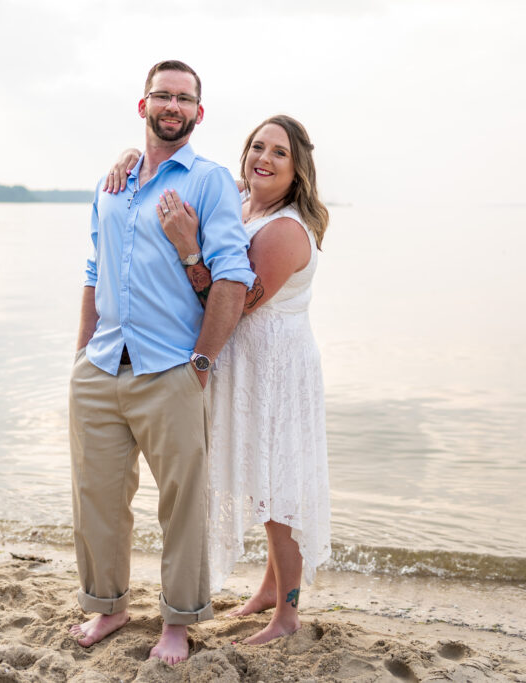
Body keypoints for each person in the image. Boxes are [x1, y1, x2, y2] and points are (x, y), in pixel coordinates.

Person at [105, 114, 331, 644]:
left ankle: (287, 615)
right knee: (264, 478)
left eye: (279, 153)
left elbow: (230, 305)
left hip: (274, 367)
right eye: (258, 147)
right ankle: (270, 589)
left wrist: (187, 246)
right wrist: (130, 159)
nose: (264, 159)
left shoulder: (283, 231)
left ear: (298, 169)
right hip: (243, 362)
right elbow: (167, 174)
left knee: (282, 487)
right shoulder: (239, 199)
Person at [68, 60, 255, 665]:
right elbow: (95, 271)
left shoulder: (210, 181)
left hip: (171, 368)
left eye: (184, 98)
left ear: (198, 113)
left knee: (181, 503)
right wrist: (80, 353)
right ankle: (109, 605)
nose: (172, 105)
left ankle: (178, 622)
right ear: (142, 104)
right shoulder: (113, 180)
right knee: (96, 495)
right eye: (162, 95)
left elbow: (233, 277)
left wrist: (201, 362)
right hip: (102, 366)